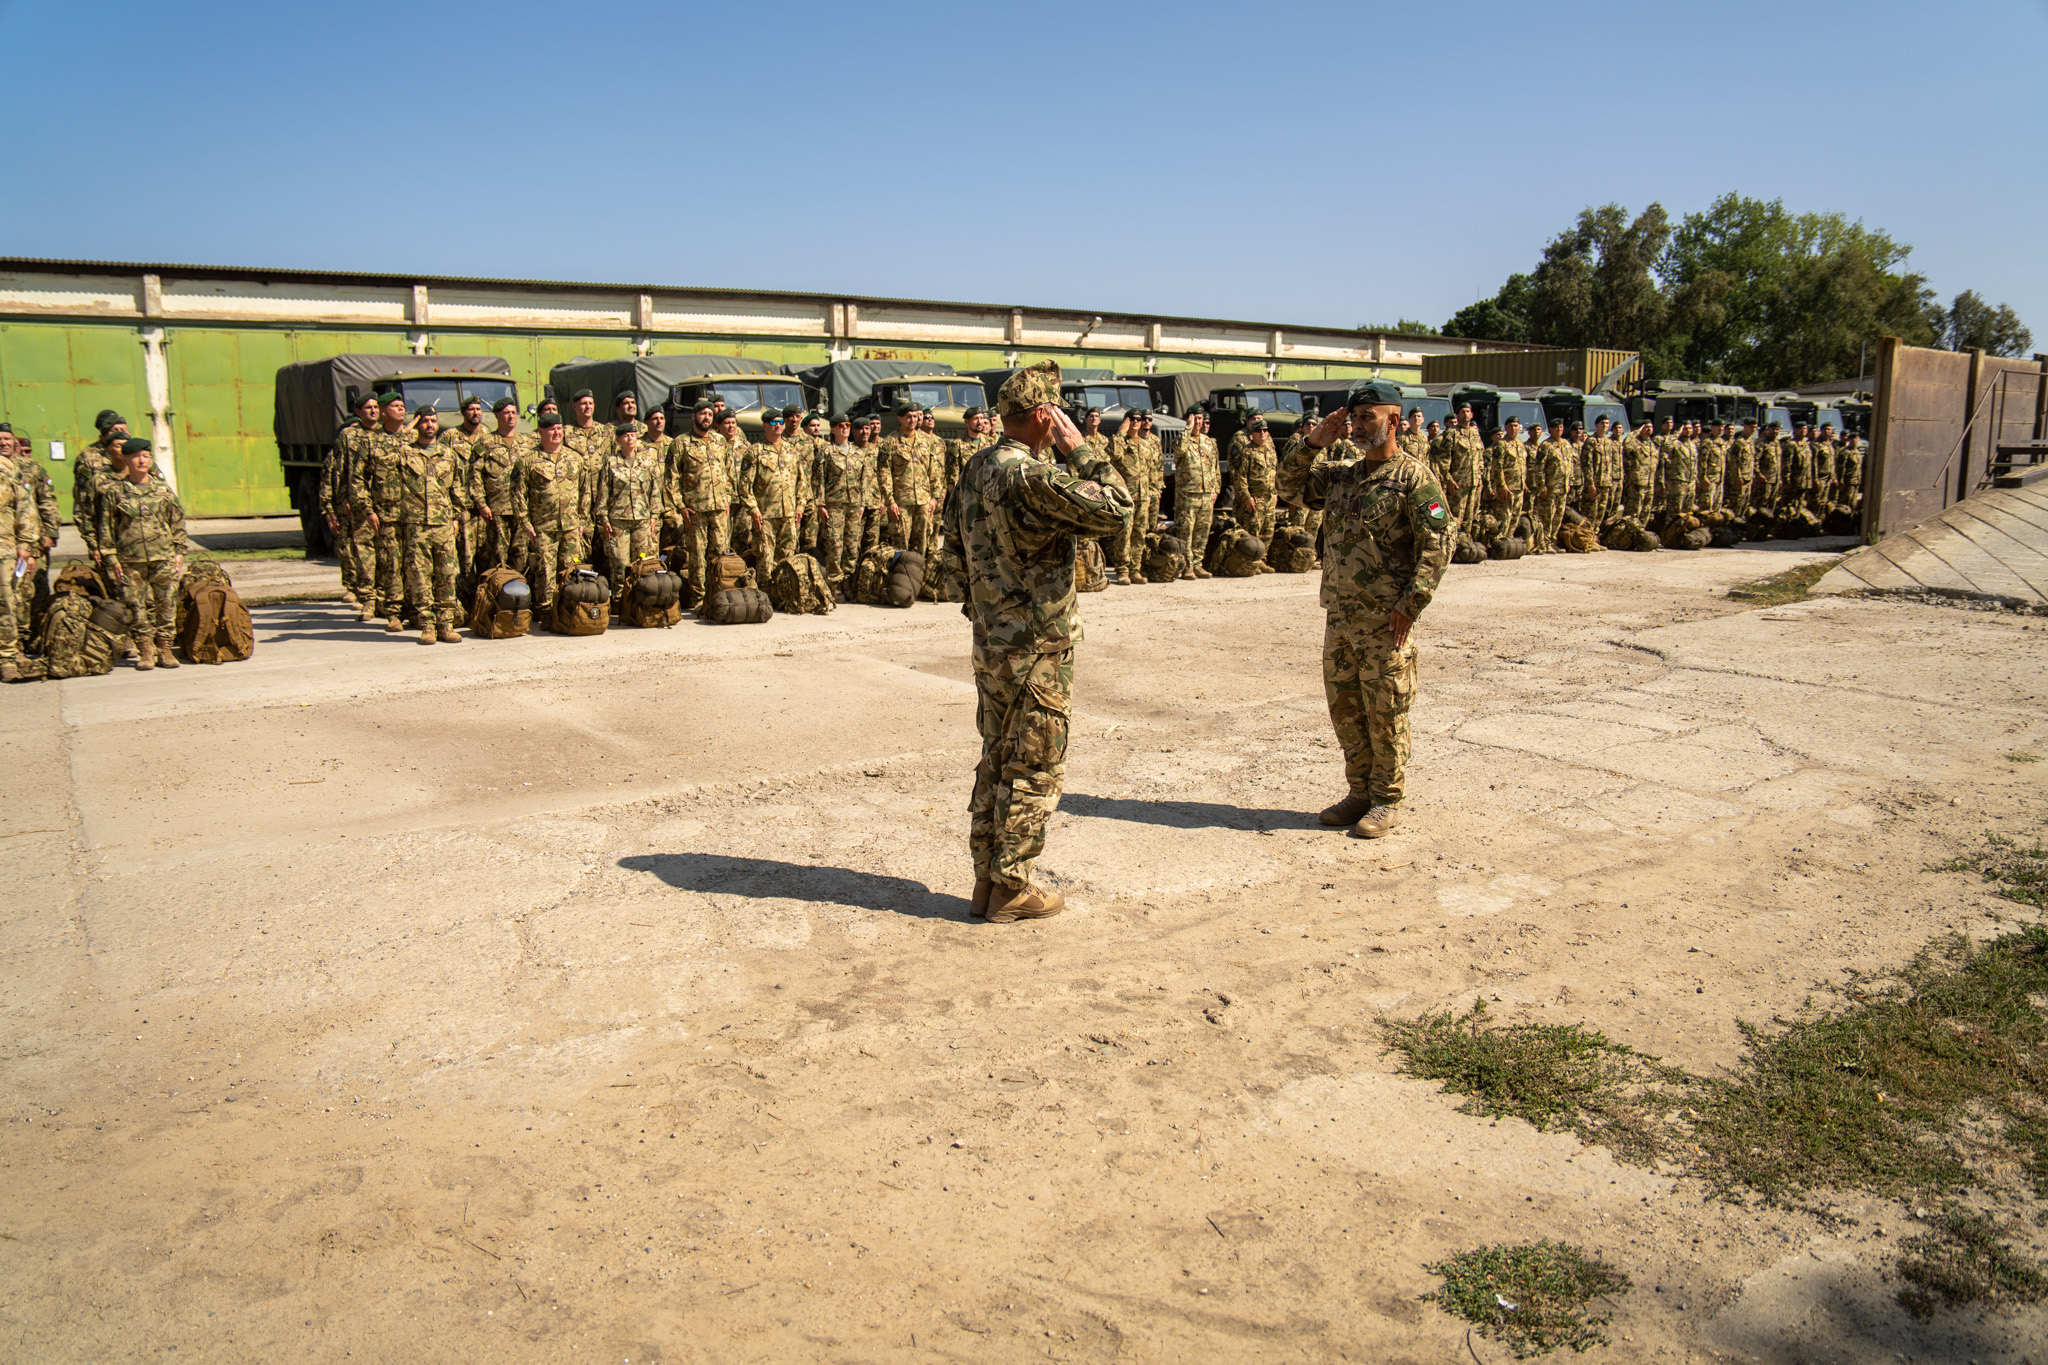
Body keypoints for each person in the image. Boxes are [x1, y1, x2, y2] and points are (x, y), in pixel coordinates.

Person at [939, 361, 1133, 924]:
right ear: (1046, 416)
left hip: (992, 641)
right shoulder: (1032, 476)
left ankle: (986, 880)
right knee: (1035, 765)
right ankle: (1011, 885)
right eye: (1059, 414)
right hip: (1039, 646)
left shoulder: (977, 466)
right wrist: (1082, 450)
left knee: (997, 757)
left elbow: (951, 551)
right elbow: (1118, 508)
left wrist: (984, 609)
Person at [1280, 380, 1451, 839]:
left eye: (1365, 417)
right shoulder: (1342, 475)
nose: (1355, 425)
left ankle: (1385, 799)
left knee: (1386, 711)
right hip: (1340, 617)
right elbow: (1288, 487)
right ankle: (1359, 792)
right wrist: (1313, 443)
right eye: (1353, 417)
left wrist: (1410, 605)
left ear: (1393, 420)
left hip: (1384, 621)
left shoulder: (1413, 478)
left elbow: (1438, 543)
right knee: (1347, 711)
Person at [96, 440, 186, 670]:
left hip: (163, 556)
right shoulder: (115, 492)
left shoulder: (162, 490)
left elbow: (176, 521)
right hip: (130, 560)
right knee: (136, 607)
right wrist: (111, 558)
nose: (142, 460)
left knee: (167, 604)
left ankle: (165, 649)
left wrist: (179, 551)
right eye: (136, 456)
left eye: (146, 456)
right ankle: (145, 650)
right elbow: (106, 528)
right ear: (125, 460)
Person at [511, 413, 582, 622]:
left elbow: (585, 490)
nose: (557, 433)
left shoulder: (575, 458)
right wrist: (525, 523)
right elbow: (517, 494)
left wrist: (582, 520)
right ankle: (547, 614)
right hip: (543, 527)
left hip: (570, 526)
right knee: (544, 572)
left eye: (559, 429)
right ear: (541, 432)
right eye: (552, 429)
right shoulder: (527, 461)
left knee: (571, 571)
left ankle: (568, 611)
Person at [670, 401, 733, 604]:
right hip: (695, 510)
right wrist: (681, 506)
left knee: (720, 554)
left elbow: (729, 473)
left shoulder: (720, 441)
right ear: (693, 416)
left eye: (709, 414)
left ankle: (717, 594)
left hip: (719, 509)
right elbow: (671, 480)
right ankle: (698, 598)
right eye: (702, 414)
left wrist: (727, 499)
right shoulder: (680, 443)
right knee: (697, 557)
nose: (706, 417)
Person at [598, 422, 663, 608]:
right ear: (618, 440)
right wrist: (603, 518)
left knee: (642, 562)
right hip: (618, 521)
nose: (630, 439)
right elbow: (603, 492)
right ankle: (620, 603)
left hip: (642, 520)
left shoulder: (646, 462)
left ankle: (640, 603)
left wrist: (654, 516)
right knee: (619, 563)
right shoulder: (611, 463)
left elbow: (654, 491)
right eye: (625, 436)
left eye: (633, 435)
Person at [469, 398, 524, 579]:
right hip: (497, 510)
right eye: (506, 413)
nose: (511, 416)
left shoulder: (526, 443)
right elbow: (474, 475)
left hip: (521, 511)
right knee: (498, 558)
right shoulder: (485, 443)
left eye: (513, 412)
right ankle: (496, 590)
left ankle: (519, 591)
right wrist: (481, 503)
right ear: (497, 416)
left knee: (520, 557)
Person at [0, 426, 38, 681]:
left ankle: (7, 658)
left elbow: (25, 506)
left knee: (6, 602)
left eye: (6, 439)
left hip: (4, 547)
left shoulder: (9, 470)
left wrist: (25, 543)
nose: (3, 443)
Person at [743, 410, 803, 569]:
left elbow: (801, 481)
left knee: (787, 562)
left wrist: (800, 506)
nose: (778, 425)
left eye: (781, 422)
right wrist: (753, 509)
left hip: (789, 515)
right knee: (765, 561)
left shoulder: (792, 451)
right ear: (764, 425)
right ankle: (765, 586)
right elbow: (744, 486)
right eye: (773, 422)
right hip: (765, 516)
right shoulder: (755, 451)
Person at [1174, 409, 1219, 578]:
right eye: (1195, 419)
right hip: (1188, 495)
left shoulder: (1209, 443)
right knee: (1186, 532)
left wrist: (1215, 489)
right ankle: (1187, 566)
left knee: (1202, 531)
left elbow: (1215, 469)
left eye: (1200, 418)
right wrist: (1188, 427)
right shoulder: (1181, 440)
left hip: (1206, 495)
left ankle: (1198, 564)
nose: (1198, 422)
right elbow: (1180, 449)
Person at [1229, 413, 1279, 546]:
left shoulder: (1271, 451)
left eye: (1265, 430)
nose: (1262, 433)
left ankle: (1263, 557)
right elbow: (1240, 476)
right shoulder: (1247, 452)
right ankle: (1252, 559)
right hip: (1255, 499)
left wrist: (1275, 494)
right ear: (1252, 434)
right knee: (1251, 536)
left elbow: (1275, 473)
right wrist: (1247, 497)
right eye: (1258, 430)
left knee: (1267, 534)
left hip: (1269, 499)